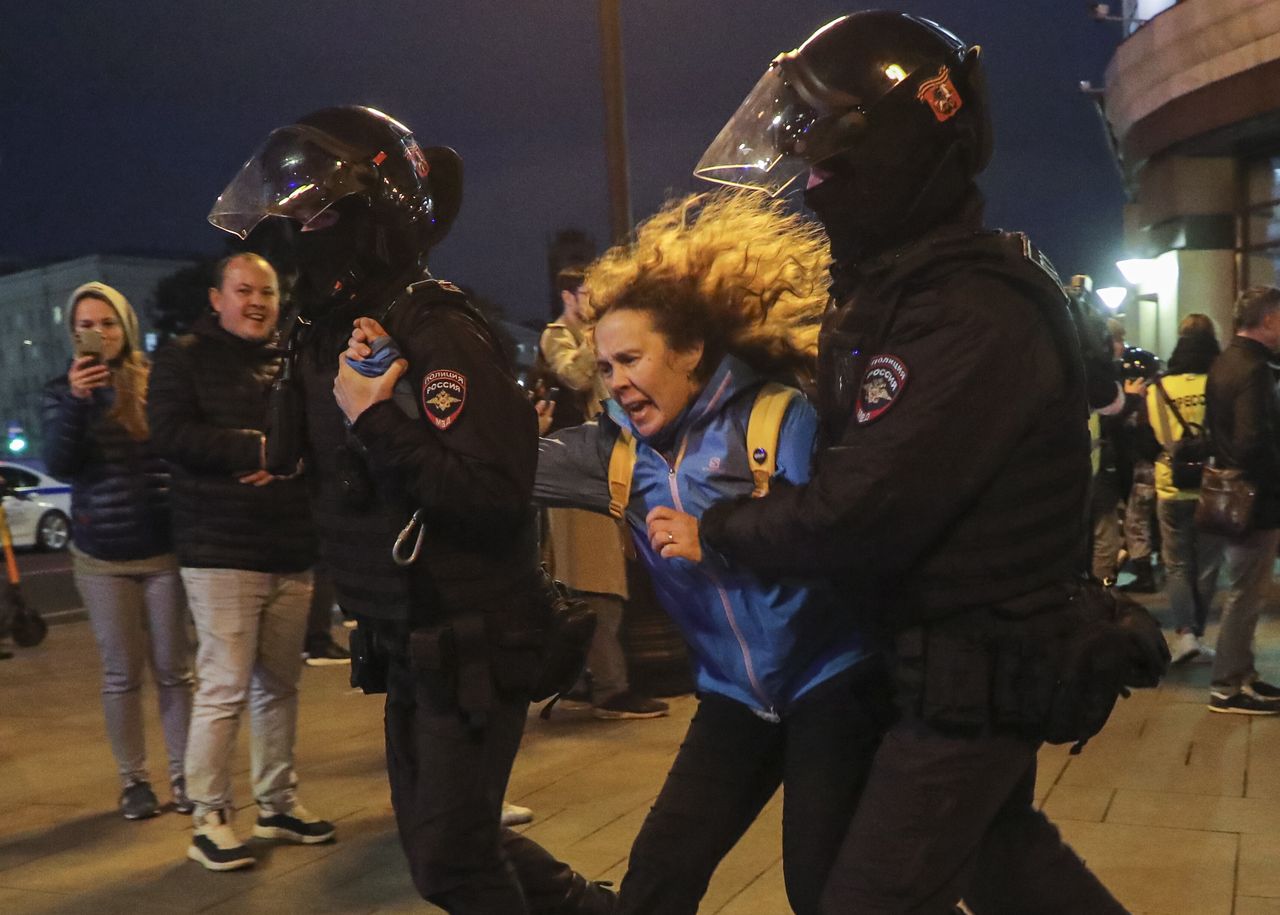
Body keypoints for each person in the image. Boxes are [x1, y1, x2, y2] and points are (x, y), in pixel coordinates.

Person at [689, 11, 1148, 912]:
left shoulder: (971, 308)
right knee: (1007, 863)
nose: (811, 183)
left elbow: (862, 506)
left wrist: (723, 525)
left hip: (974, 675)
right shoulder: (902, 291)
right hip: (934, 667)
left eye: (828, 161)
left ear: (893, 149)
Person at [207, 106, 610, 912]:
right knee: (442, 848)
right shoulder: (323, 333)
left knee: (452, 861)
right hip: (408, 636)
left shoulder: (439, 328)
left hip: (474, 635)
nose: (295, 232)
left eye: (314, 213)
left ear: (370, 216)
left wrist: (378, 419)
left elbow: (494, 494)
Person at [536, 190, 890, 915]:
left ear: (692, 350)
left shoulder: (777, 419)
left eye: (630, 358)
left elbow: (846, 533)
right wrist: (385, 402)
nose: (617, 381)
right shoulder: (613, 454)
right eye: (604, 367)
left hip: (833, 684)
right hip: (735, 698)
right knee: (657, 880)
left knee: (823, 888)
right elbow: (495, 465)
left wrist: (719, 535)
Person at [148, 252, 333, 871]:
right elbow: (170, 434)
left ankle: (277, 803)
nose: (257, 301)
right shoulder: (182, 359)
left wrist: (292, 456)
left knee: (280, 684)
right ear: (216, 298)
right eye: (244, 289)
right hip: (220, 549)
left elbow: (321, 439)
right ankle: (208, 816)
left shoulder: (292, 361)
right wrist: (256, 448)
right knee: (225, 685)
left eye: (268, 292)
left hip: (289, 545)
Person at [41, 282, 192, 820]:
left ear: (125, 326)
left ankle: (184, 777)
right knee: (121, 674)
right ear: (73, 332)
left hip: (163, 550)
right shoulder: (62, 391)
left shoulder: (156, 381)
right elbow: (59, 463)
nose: (97, 333)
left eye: (107, 322)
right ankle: (134, 782)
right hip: (101, 554)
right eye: (85, 324)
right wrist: (79, 404)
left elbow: (179, 451)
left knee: (175, 671)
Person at [540, 266, 667, 720]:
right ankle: (610, 690)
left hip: (609, 459)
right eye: (586, 293)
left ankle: (582, 683)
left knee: (599, 578)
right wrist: (599, 337)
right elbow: (576, 376)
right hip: (579, 465)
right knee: (596, 581)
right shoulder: (558, 334)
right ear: (568, 296)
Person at [1203, 286, 1280, 715]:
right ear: (1268, 320)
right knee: (1245, 594)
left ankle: (1243, 675)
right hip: (1255, 497)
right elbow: (1253, 440)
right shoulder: (1252, 369)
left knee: (1246, 591)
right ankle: (1227, 685)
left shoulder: (1227, 360)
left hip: (1239, 494)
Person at [1144, 315, 1221, 665]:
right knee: (1206, 565)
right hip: (1210, 483)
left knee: (1176, 565)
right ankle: (1199, 634)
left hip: (1169, 483)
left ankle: (1184, 635)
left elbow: (1151, 437)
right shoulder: (1217, 382)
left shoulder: (1156, 388)